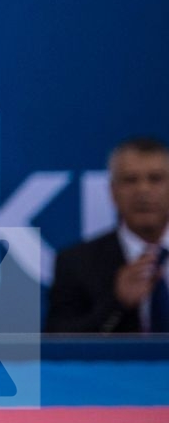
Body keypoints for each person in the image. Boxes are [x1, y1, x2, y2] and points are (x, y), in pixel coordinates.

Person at [46, 137, 169, 333]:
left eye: (155, 179)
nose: (143, 190)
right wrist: (117, 304)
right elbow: (59, 344)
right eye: (130, 180)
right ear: (113, 191)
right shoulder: (76, 263)